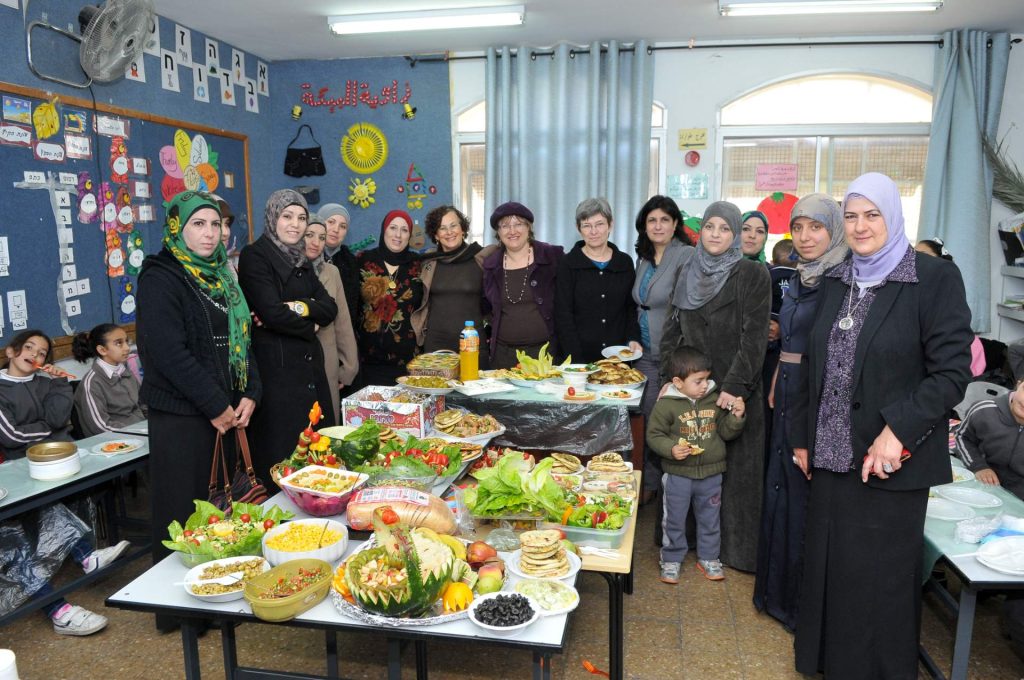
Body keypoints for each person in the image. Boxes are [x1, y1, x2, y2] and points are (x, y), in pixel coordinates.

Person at [790, 172, 973, 677]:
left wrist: (898, 431)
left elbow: (953, 372)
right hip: (831, 456)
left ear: (893, 215)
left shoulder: (932, 279)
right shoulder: (838, 278)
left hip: (889, 462)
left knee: (879, 582)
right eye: (851, 216)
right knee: (832, 572)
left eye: (872, 215)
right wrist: (802, 436)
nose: (860, 226)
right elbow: (814, 362)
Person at [138, 191, 261, 569]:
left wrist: (251, 391)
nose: (211, 233)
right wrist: (214, 405)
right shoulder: (160, 277)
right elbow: (169, 354)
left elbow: (243, 340)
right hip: (183, 419)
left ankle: (219, 584)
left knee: (222, 514)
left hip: (226, 413)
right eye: (198, 224)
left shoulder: (223, 274)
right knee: (185, 516)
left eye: (216, 224)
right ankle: (175, 599)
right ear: (177, 227)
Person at [753, 193, 848, 631]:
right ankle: (772, 594)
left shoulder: (843, 280)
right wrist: (778, 375)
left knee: (802, 494)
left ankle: (797, 605)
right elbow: (792, 339)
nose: (805, 237)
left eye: (816, 227)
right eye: (798, 227)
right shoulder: (800, 277)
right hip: (788, 387)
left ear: (835, 230)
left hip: (815, 397)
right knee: (778, 486)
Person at [660, 201, 770, 572]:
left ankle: (734, 551)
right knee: (688, 465)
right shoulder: (686, 269)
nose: (716, 235)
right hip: (690, 388)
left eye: (725, 228)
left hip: (733, 390)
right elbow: (672, 329)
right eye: (710, 227)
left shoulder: (752, 274)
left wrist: (735, 387)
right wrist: (670, 380)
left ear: (735, 234)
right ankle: (686, 545)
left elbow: (754, 337)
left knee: (736, 475)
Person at [0, 329, 131, 635]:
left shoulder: (46, 381)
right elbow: (12, 436)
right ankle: (59, 610)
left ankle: (86, 558)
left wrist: (58, 384)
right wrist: (48, 429)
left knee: (49, 507)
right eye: (28, 348)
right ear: (11, 352)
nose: (35, 355)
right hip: (20, 467)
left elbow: (58, 421)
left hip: (30, 472)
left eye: (41, 352)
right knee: (11, 541)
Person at [238, 189, 337, 477]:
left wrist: (298, 307)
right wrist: (311, 324)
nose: (295, 224)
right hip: (278, 378)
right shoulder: (255, 256)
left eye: (301, 218)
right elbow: (272, 313)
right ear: (273, 217)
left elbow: (329, 308)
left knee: (319, 461)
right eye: (287, 216)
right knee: (283, 463)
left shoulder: (301, 258)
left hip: (310, 373)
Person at [647, 345, 746, 584]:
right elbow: (654, 435)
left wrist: (736, 417)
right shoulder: (666, 404)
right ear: (678, 382)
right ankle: (671, 559)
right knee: (674, 520)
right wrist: (671, 449)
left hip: (711, 475)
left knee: (710, 519)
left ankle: (709, 557)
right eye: (698, 381)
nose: (704, 385)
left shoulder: (713, 400)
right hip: (678, 475)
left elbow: (725, 432)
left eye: (707, 379)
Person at [631, 195, 695, 504]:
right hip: (642, 353)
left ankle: (662, 488)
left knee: (666, 421)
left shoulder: (686, 255)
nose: (658, 226)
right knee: (645, 419)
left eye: (664, 220)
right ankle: (647, 482)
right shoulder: (643, 257)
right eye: (652, 220)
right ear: (644, 225)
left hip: (672, 354)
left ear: (675, 224)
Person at [555, 197, 641, 363]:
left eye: (599, 224)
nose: (593, 231)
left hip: (618, 358)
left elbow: (630, 308)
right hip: (579, 358)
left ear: (610, 225)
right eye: (587, 225)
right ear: (578, 228)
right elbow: (563, 315)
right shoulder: (568, 263)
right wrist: (577, 361)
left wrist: (633, 338)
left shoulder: (624, 262)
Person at [482, 202, 564, 369]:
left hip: (545, 355)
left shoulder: (552, 257)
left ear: (529, 227)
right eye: (505, 226)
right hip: (503, 356)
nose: (512, 231)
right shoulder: (490, 265)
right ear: (498, 232)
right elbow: (486, 306)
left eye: (518, 224)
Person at [414, 205, 497, 361]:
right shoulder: (428, 262)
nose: (449, 232)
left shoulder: (482, 258)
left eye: (453, 225)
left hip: (473, 342)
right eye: (442, 228)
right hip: (436, 344)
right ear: (436, 235)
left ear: (462, 229)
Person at [356, 209, 424, 386]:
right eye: (393, 228)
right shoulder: (363, 260)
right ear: (384, 230)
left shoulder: (419, 264)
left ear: (409, 235)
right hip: (368, 361)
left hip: (409, 363)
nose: (398, 235)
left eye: (404, 230)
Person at [303, 216, 359, 422]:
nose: (315, 242)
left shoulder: (332, 272)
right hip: (295, 367)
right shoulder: (284, 271)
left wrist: (349, 367)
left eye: (321, 237)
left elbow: (343, 323)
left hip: (327, 364)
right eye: (309, 235)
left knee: (327, 428)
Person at [71, 323, 145, 438]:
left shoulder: (125, 372)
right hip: (116, 440)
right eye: (119, 343)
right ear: (102, 350)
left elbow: (143, 405)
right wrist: (138, 432)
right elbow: (100, 427)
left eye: (126, 341)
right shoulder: (92, 383)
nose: (127, 348)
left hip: (140, 432)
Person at [955, 377, 1024, 498]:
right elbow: (962, 437)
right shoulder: (984, 410)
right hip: (980, 485)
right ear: (1018, 385)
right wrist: (979, 466)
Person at [319, 203, 361, 328]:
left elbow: (353, 306)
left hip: (341, 330)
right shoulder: (304, 256)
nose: (336, 229)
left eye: (343, 226)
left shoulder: (351, 262)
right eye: (331, 222)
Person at [212, 194, 239, 277]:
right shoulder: (184, 271)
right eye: (216, 224)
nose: (225, 233)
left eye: (227, 224)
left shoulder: (227, 265)